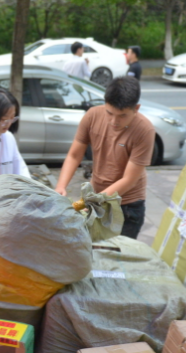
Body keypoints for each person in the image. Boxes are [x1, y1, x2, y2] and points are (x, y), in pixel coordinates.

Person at [54, 76, 154, 239]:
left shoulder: (145, 130)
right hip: (96, 196)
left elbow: (129, 180)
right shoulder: (92, 116)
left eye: (122, 116)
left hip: (126, 206)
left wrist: (92, 202)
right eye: (109, 113)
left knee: (119, 253)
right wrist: (61, 186)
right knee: (90, 250)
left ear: (136, 108)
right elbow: (74, 155)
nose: (114, 121)